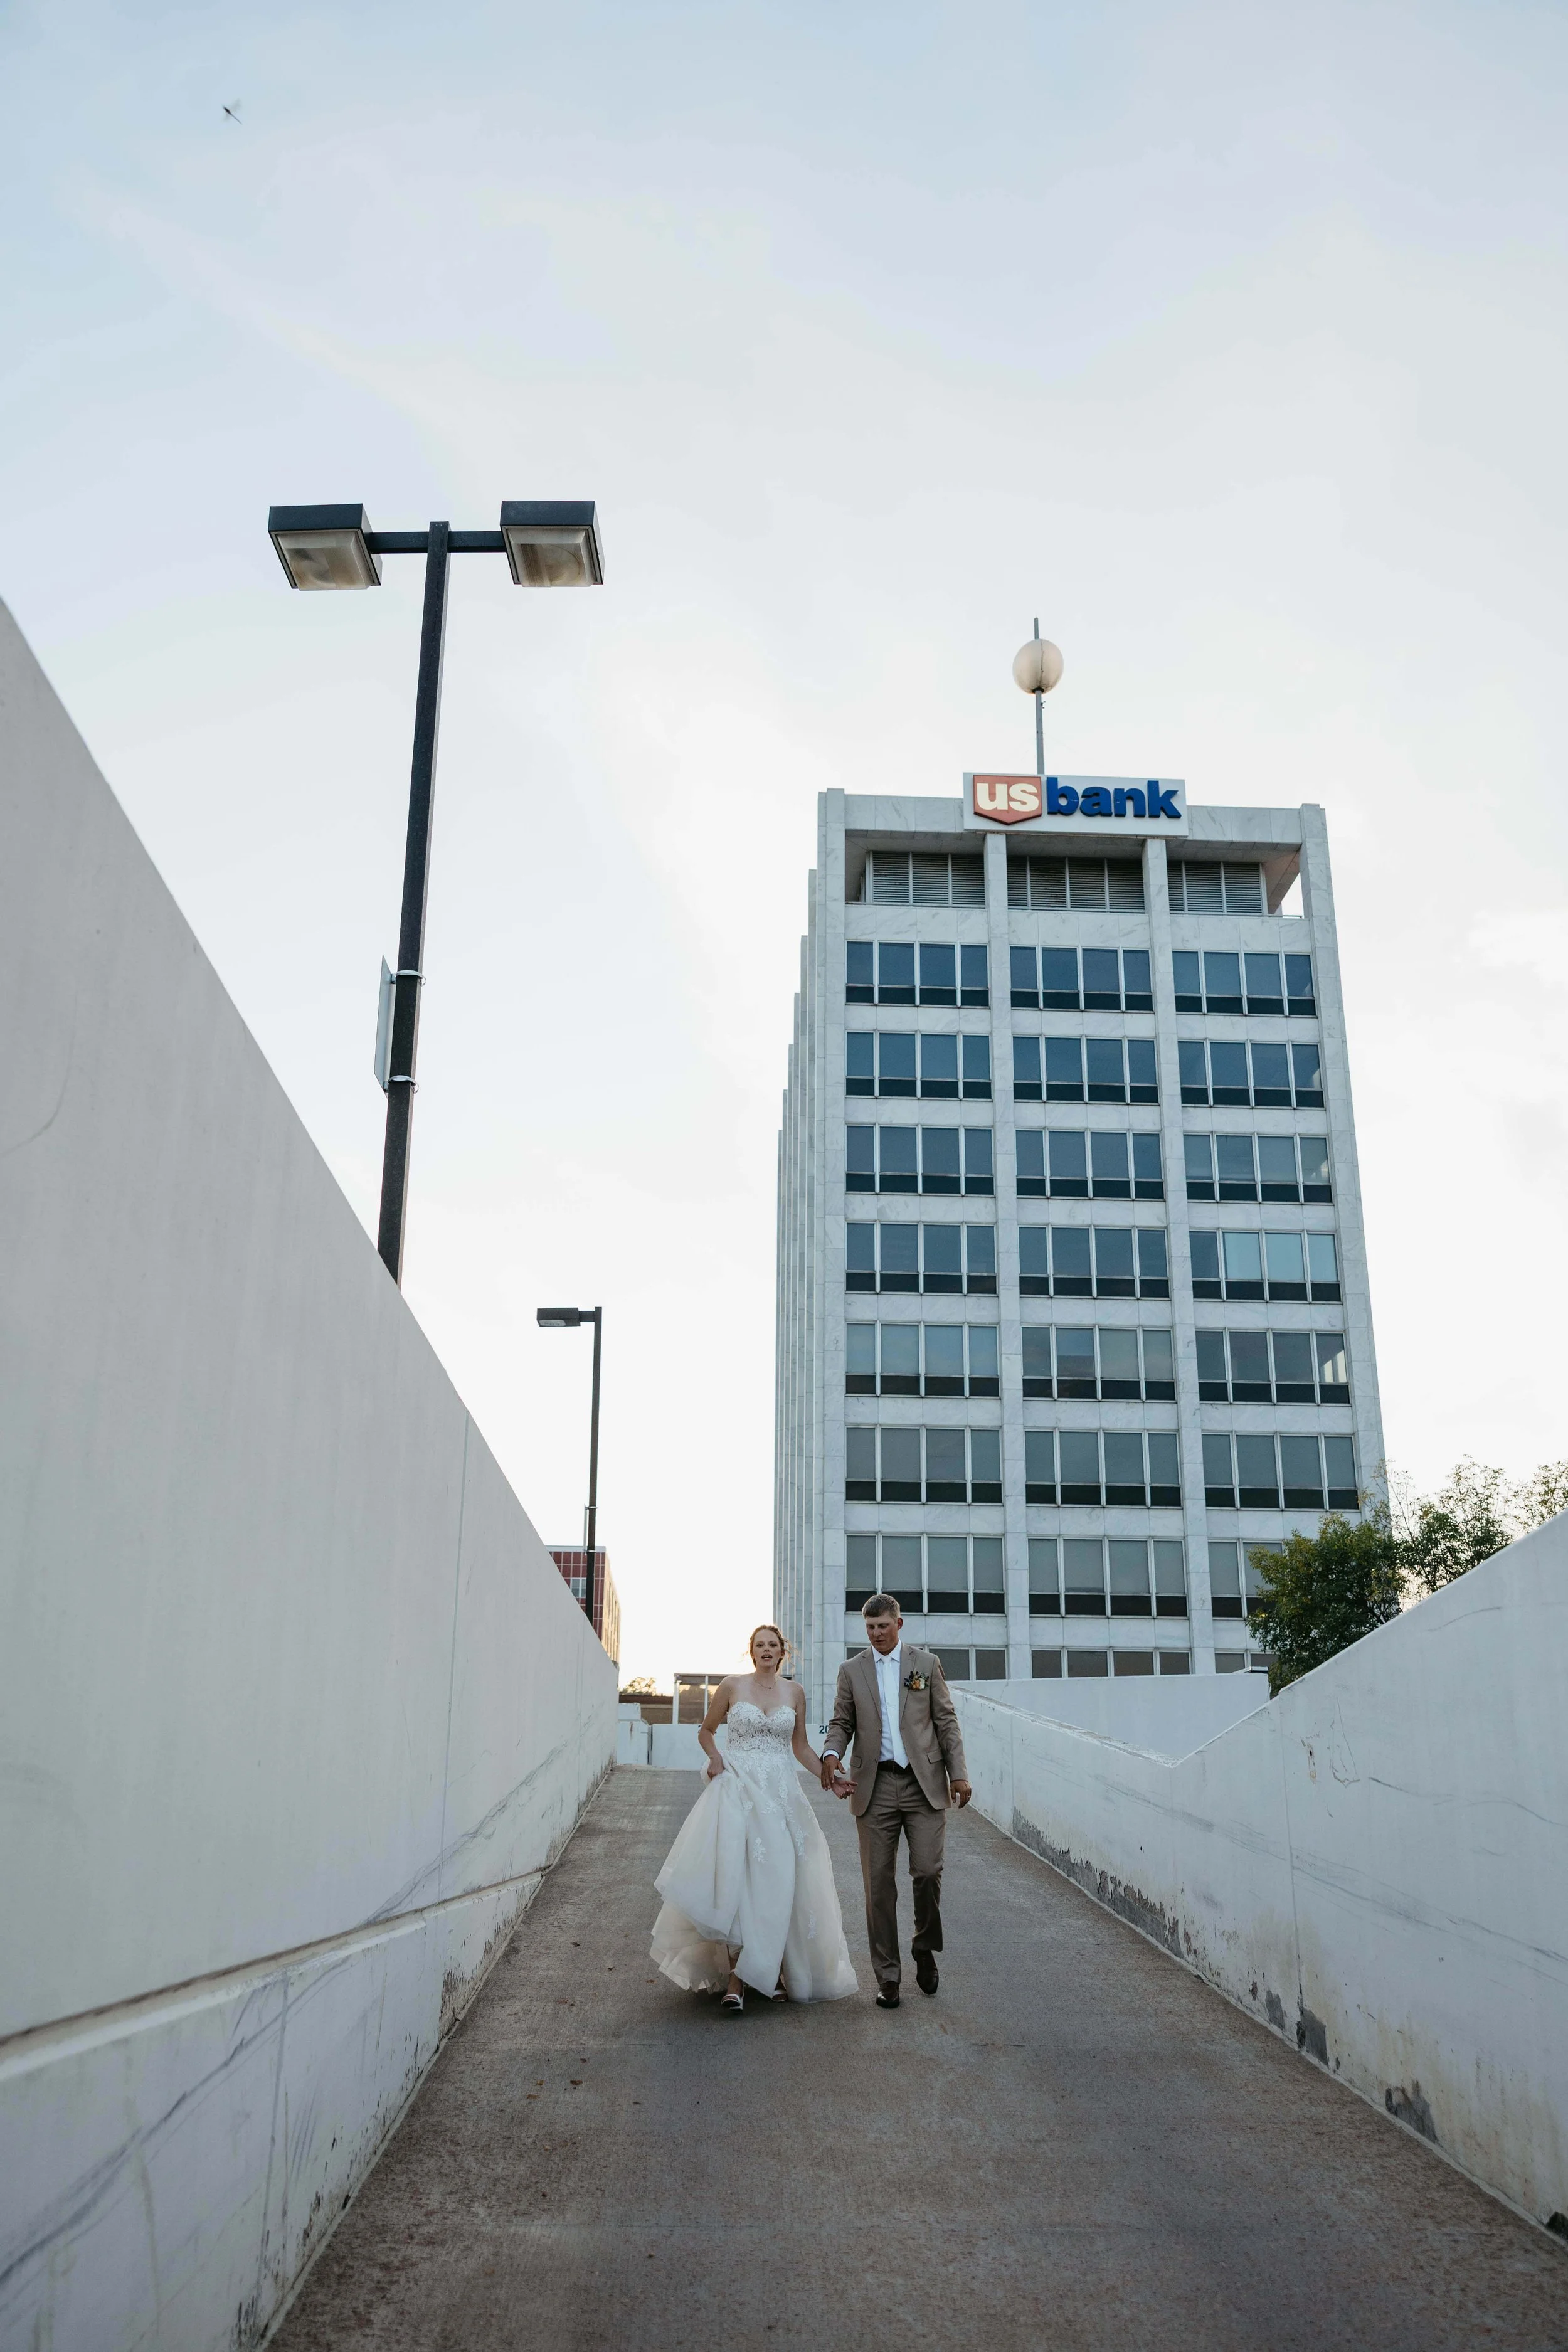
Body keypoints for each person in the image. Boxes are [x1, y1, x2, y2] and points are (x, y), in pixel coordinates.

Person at [650, 1625, 859, 2013]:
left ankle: (774, 1970)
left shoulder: (795, 1693)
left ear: (783, 1652)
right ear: (752, 1651)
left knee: (780, 1881)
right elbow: (707, 1731)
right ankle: (737, 1979)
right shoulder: (732, 1685)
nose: (767, 1650)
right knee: (739, 1879)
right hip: (739, 1788)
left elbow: (800, 1748)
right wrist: (715, 1759)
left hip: (780, 1794)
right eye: (760, 1645)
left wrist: (831, 1781)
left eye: (773, 1645)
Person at [819, 1593, 971, 2009]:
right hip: (875, 1787)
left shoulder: (925, 1665)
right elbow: (841, 1721)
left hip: (924, 1784)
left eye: (883, 1626)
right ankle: (888, 1978)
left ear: (898, 1624)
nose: (876, 1634)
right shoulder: (852, 1670)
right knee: (878, 1888)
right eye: (870, 1628)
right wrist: (831, 1753)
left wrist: (958, 1772)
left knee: (927, 1871)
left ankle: (924, 1945)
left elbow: (945, 1720)